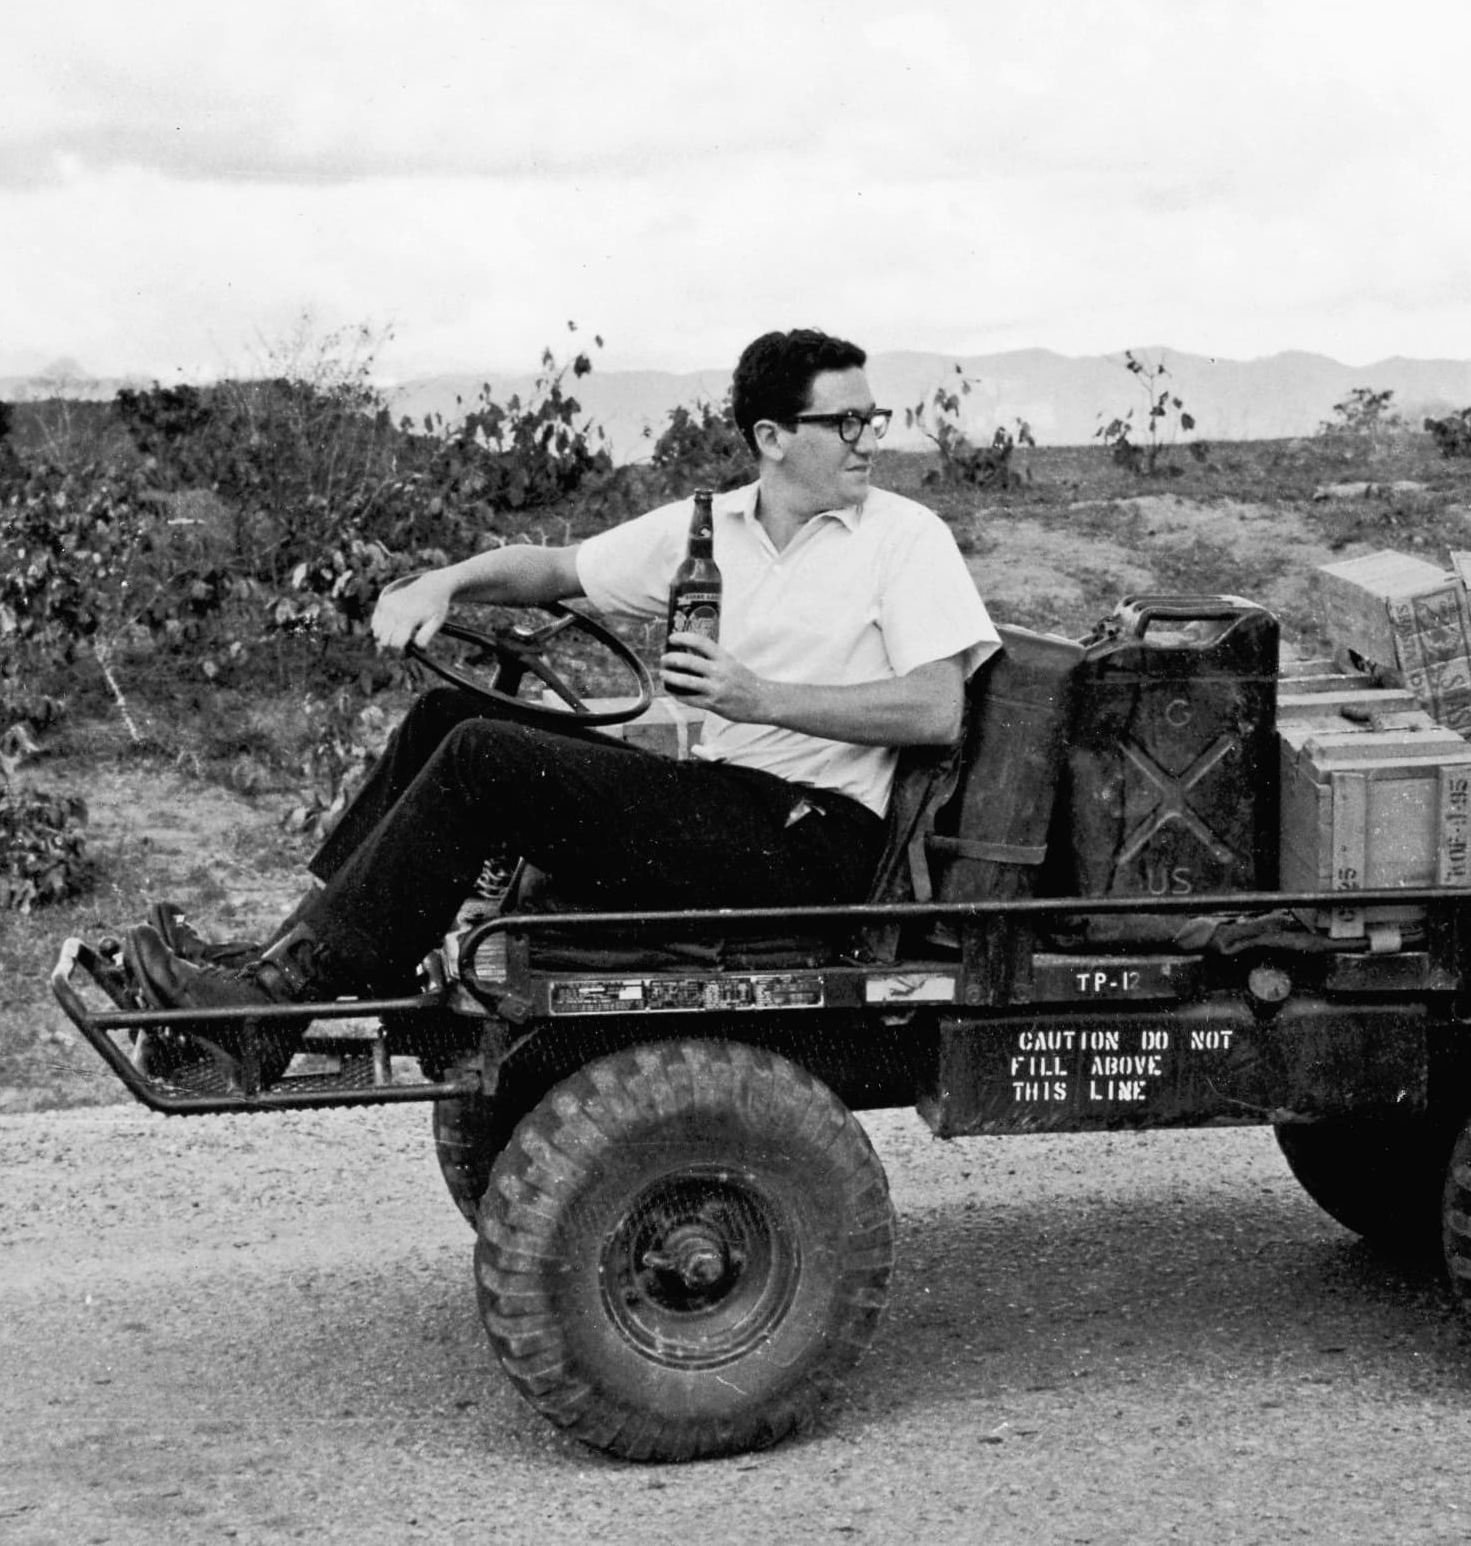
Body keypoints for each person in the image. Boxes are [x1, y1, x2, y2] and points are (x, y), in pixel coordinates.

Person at [120, 327, 1000, 1078]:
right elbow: (553, 566)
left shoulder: (902, 538)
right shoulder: (713, 526)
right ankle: (282, 965)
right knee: (448, 721)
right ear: (772, 438)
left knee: (486, 760)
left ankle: (273, 1010)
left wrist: (756, 695)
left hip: (816, 836)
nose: (867, 439)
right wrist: (445, 583)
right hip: (722, 803)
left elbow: (936, 710)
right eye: (844, 421)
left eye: (870, 418)